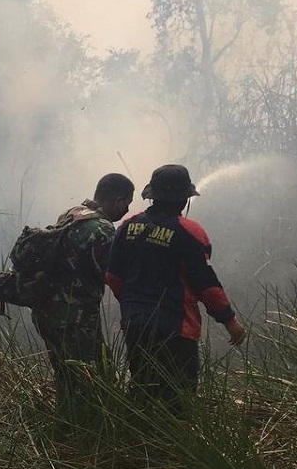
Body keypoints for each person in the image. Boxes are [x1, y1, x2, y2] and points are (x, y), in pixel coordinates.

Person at [105, 164, 246, 409]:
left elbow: (114, 276)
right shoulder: (190, 232)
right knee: (178, 399)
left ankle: (139, 443)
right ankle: (173, 445)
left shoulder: (127, 226)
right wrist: (230, 321)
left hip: (136, 325)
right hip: (175, 329)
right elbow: (207, 285)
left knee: (144, 389)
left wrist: (132, 306)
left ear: (152, 196)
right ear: (184, 199)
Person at [32, 173, 135, 405]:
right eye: (126, 204)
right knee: (97, 376)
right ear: (118, 200)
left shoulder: (72, 214)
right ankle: (87, 431)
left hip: (45, 309)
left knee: (66, 375)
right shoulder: (103, 229)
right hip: (75, 317)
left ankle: (65, 424)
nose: (126, 211)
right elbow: (110, 274)